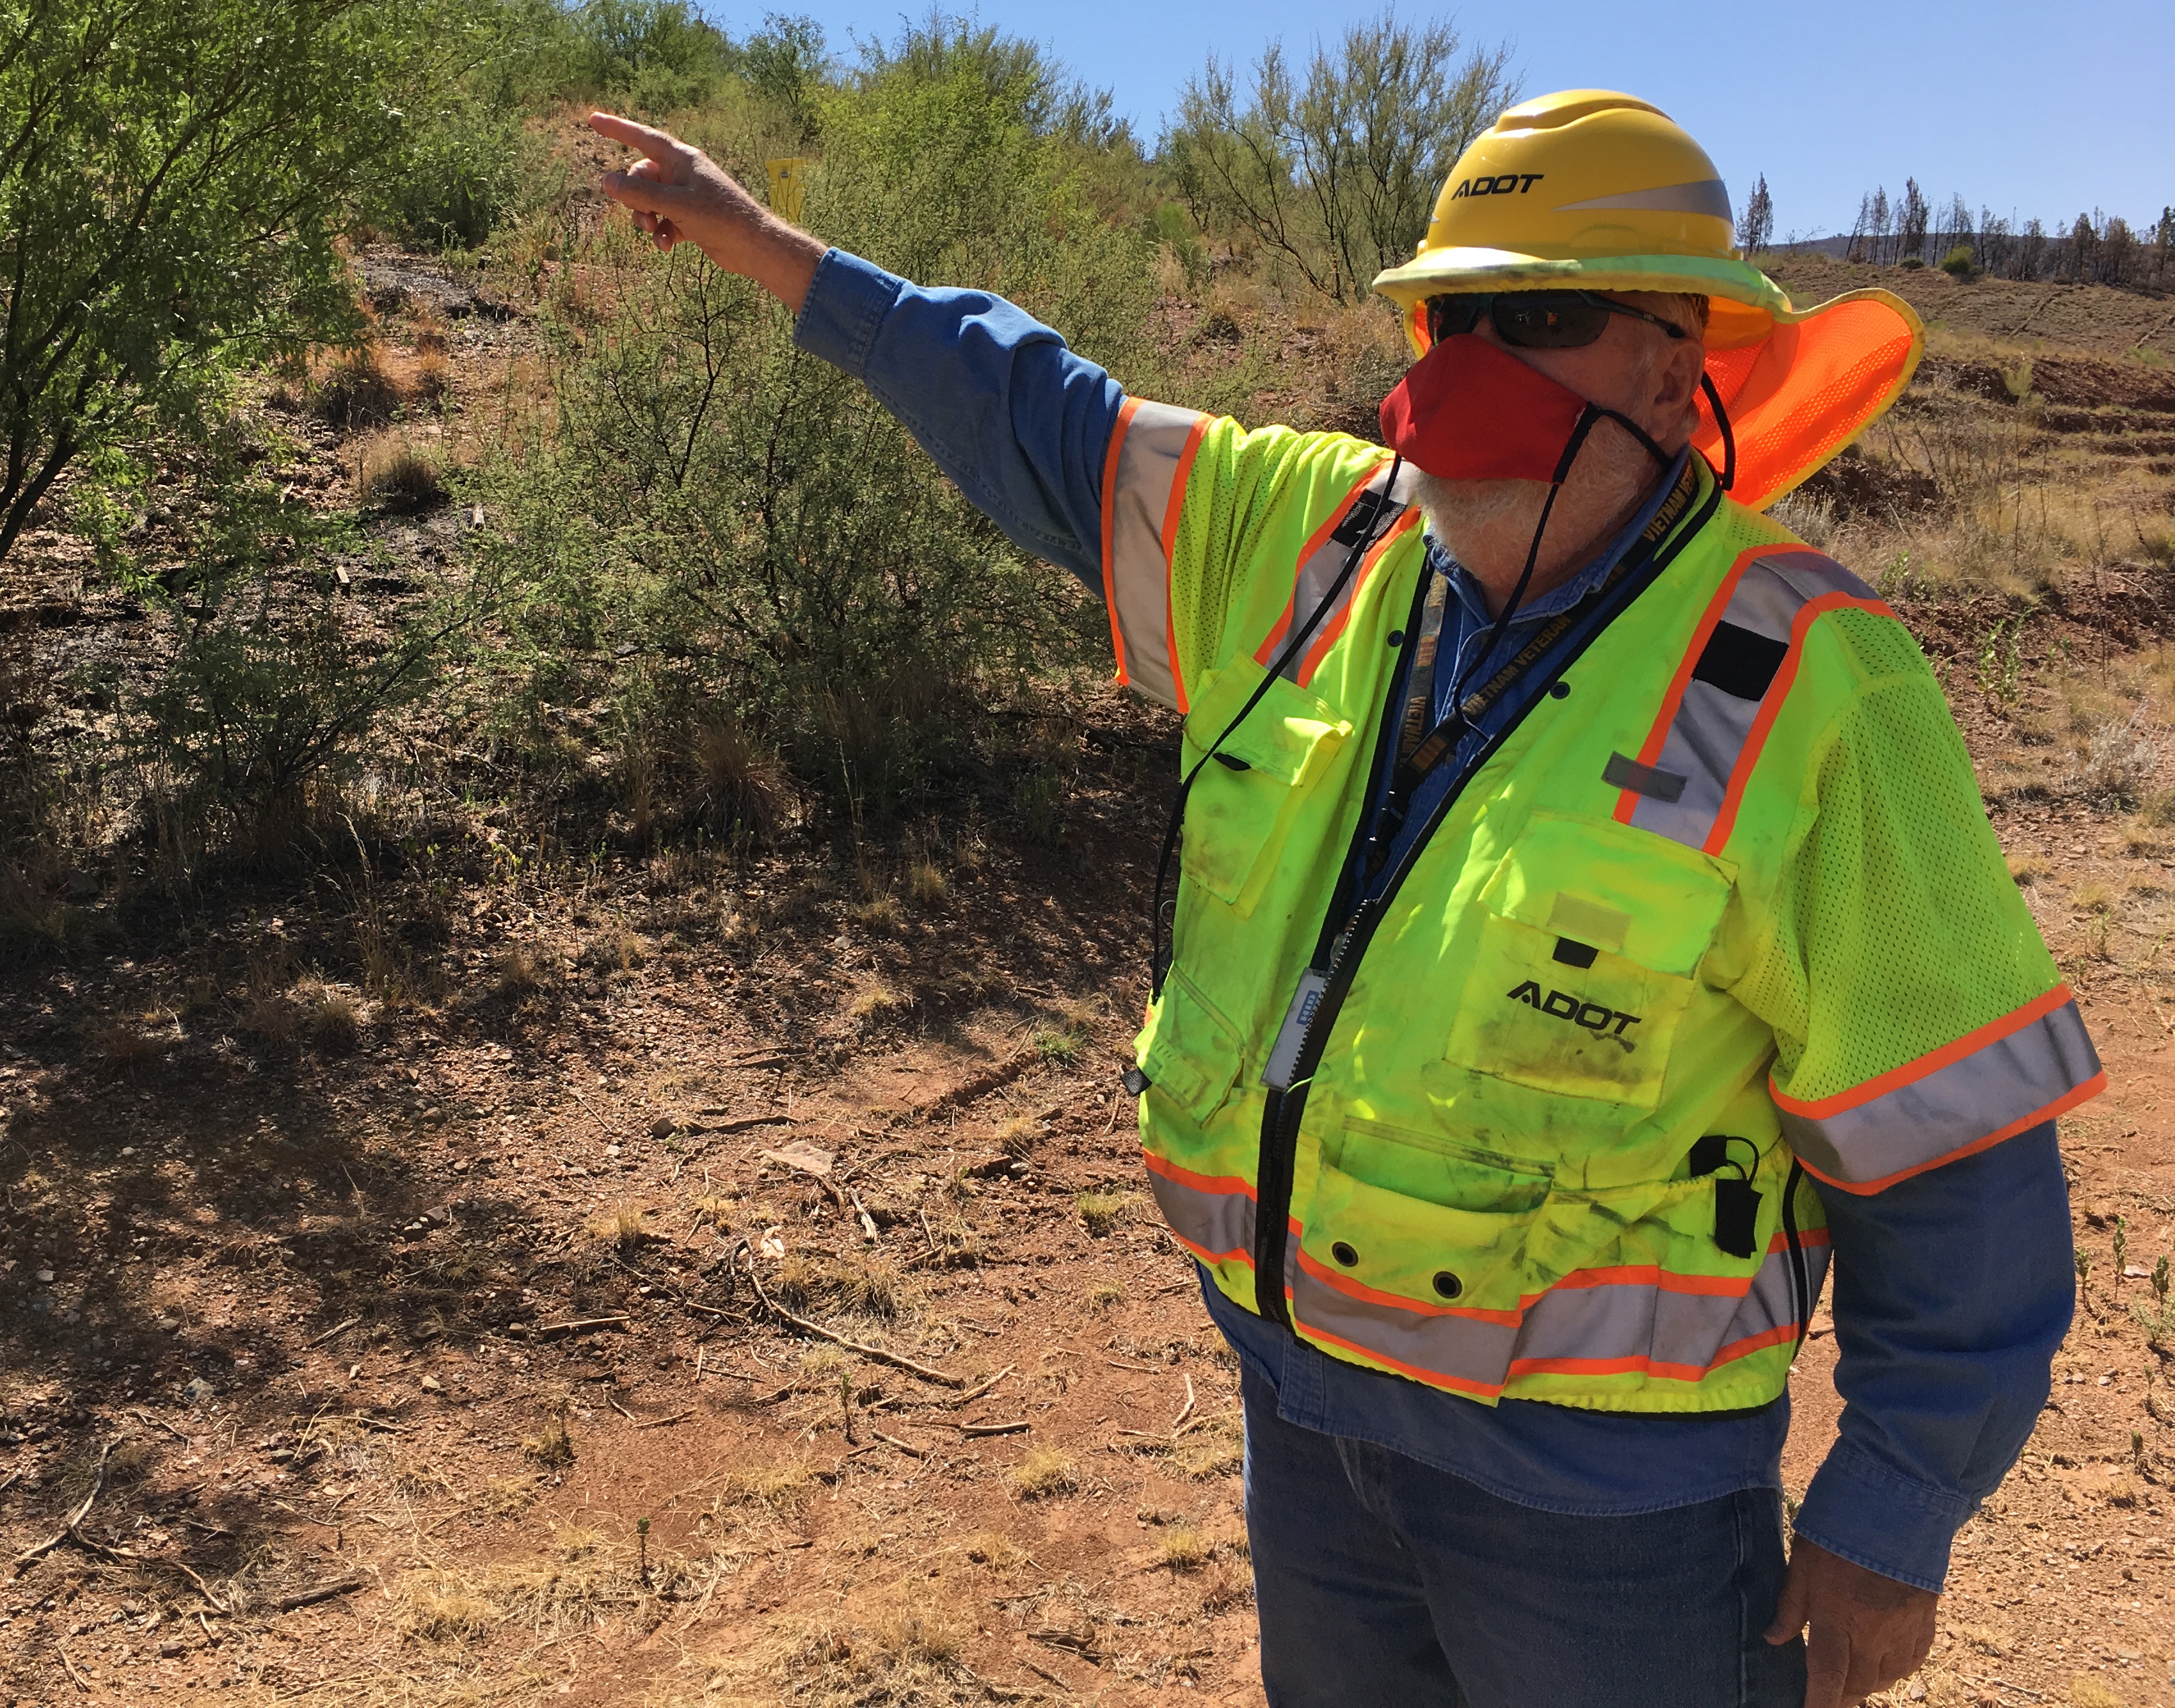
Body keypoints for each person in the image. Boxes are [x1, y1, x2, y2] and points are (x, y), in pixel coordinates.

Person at [589, 90, 2101, 1708]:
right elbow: (1033, 412)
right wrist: (771, 251)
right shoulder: (1313, 541)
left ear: (1677, 368)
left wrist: (1896, 1510)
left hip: (1608, 1507)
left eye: (1537, 317)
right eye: (1450, 313)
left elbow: (1953, 1138)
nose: (1463, 365)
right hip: (1304, 1424)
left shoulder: (1815, 682)